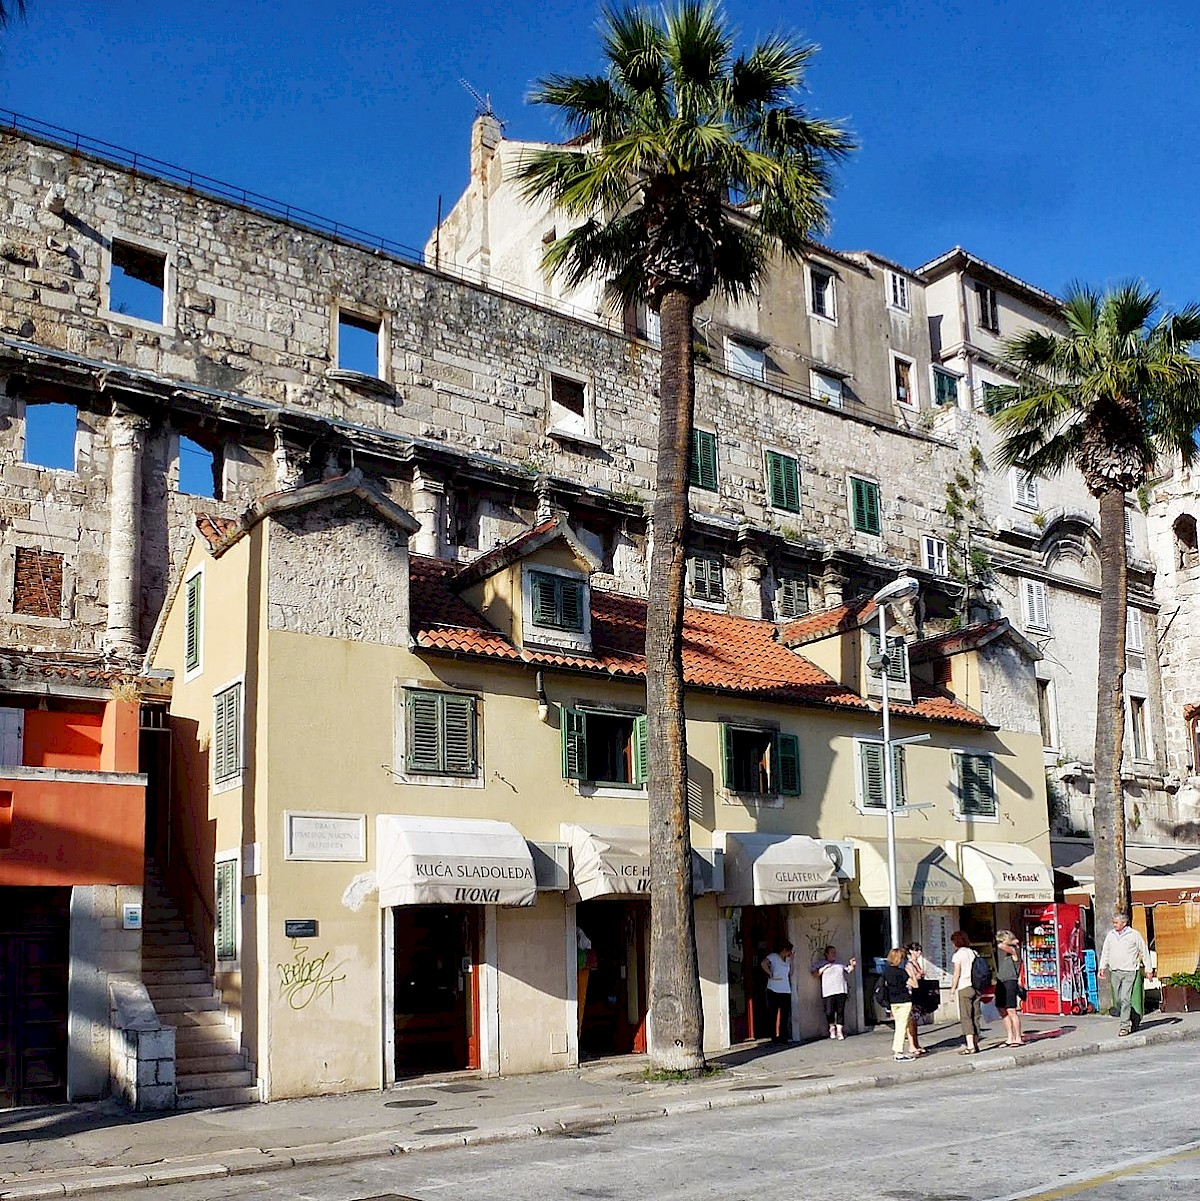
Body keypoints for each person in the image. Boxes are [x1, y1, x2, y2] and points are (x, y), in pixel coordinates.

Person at [1098, 911, 1150, 1035]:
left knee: (1125, 999)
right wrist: (1102, 967)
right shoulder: (1111, 935)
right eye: (1114, 922)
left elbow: (1144, 950)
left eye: (1116, 922)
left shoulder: (1134, 935)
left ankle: (1124, 1027)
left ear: (1124, 923)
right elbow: (1106, 951)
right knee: (1118, 1001)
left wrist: (1149, 969)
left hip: (1130, 971)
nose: (1114, 925)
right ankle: (1135, 1016)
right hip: (1115, 970)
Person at [812, 944, 856, 1040]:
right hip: (828, 991)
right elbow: (815, 974)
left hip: (840, 989)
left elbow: (848, 970)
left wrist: (852, 965)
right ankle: (831, 1027)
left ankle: (839, 1031)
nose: (834, 954)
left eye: (835, 952)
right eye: (832, 953)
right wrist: (824, 968)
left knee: (840, 1011)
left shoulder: (840, 963)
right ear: (826, 954)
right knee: (829, 1011)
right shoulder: (821, 963)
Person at [949, 930, 981, 1054]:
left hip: (964, 986)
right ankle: (976, 1042)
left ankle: (970, 1046)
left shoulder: (958, 955)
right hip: (976, 987)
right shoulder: (974, 952)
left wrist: (952, 990)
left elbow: (957, 974)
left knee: (966, 1017)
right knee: (976, 1016)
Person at [883, 947, 915, 1061]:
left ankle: (897, 1050)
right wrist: (912, 974)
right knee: (901, 1027)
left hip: (893, 1001)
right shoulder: (901, 972)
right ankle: (899, 1052)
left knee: (899, 1025)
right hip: (904, 1001)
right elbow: (914, 984)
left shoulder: (886, 971)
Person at [994, 930, 1025, 1047]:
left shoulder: (1014, 951)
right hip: (1001, 981)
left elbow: (1000, 945)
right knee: (1002, 1010)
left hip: (1010, 982)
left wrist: (1011, 941)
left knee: (1011, 1010)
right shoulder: (1008, 954)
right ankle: (1010, 1037)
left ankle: (1018, 1037)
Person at [761, 941, 794, 1044]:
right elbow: (763, 963)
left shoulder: (788, 960)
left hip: (785, 989)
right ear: (784, 950)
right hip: (774, 988)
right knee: (773, 1013)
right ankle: (773, 1036)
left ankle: (782, 1036)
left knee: (785, 1014)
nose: (790, 953)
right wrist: (770, 973)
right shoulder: (773, 957)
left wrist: (792, 961)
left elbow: (791, 972)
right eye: (789, 951)